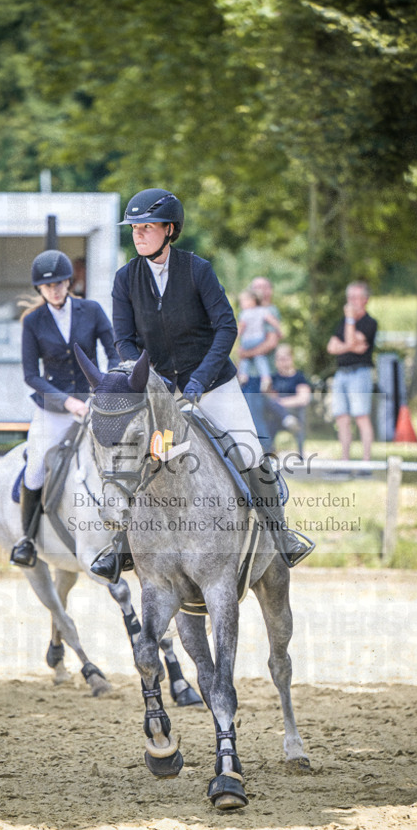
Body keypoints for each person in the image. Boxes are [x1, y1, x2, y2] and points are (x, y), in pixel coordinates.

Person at [93, 187, 313, 578]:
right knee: (137, 461)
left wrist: (197, 383)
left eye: (146, 227)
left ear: (170, 229)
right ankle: (121, 547)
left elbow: (226, 328)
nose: (138, 234)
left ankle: (281, 537)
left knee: (248, 453)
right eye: (134, 228)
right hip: (159, 392)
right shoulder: (125, 279)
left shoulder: (197, 270)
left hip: (213, 385)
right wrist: (145, 379)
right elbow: (123, 339)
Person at [10, 249, 119, 567]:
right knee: (36, 466)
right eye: (48, 286)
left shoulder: (92, 310)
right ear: (40, 290)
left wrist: (110, 383)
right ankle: (27, 540)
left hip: (94, 403)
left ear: (69, 281)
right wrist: (66, 401)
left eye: (59, 283)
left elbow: (112, 351)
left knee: (124, 455)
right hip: (53, 409)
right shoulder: (33, 321)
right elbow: (31, 375)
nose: (55, 289)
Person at [326, 280, 378, 463]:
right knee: (342, 418)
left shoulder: (369, 323)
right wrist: (350, 345)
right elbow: (332, 347)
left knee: (361, 416)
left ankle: (366, 462)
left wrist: (349, 321)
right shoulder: (342, 323)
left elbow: (354, 341)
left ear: (365, 300)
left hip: (360, 373)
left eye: (356, 297)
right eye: (350, 297)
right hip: (341, 374)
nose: (352, 301)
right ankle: (345, 460)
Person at [264, 344, 312, 456]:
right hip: (276, 414)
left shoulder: (299, 377)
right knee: (268, 410)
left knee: (273, 408)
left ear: (291, 358)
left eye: (284, 358)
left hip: (294, 412)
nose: (282, 362)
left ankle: (287, 418)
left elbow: (303, 398)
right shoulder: (273, 378)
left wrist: (281, 403)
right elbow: (268, 397)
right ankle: (286, 419)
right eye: (279, 359)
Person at [236, 286, 282, 390]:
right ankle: (265, 377)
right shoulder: (263, 311)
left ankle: (243, 376)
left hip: (248, 340)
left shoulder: (244, 313)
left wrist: (235, 337)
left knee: (245, 358)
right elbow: (273, 321)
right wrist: (280, 330)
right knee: (260, 358)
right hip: (259, 338)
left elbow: (241, 327)